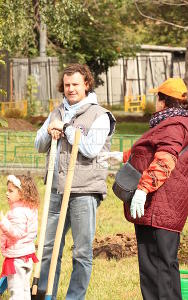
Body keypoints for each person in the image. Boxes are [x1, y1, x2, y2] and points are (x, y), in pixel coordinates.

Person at [35, 63, 116, 299]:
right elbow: (39, 146)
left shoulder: (100, 115)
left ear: (87, 84)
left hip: (84, 191)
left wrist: (68, 128)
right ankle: (43, 292)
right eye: (67, 85)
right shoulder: (57, 111)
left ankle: (74, 297)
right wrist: (49, 130)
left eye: (75, 84)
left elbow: (90, 149)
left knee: (81, 252)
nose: (70, 89)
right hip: (56, 189)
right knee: (48, 247)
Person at [102, 77, 188, 299]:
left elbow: (164, 160)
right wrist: (121, 157)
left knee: (158, 268)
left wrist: (142, 190)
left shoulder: (174, 125)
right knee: (158, 266)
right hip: (160, 207)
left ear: (162, 100)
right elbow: (149, 152)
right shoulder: (172, 122)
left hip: (161, 205)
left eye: (157, 97)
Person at [0, 174, 39, 300]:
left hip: (17, 259)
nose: (7, 193)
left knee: (16, 293)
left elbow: (16, 233)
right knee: (25, 290)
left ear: (22, 193)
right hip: (27, 256)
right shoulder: (30, 209)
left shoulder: (18, 212)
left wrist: (3, 221)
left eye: (11, 191)